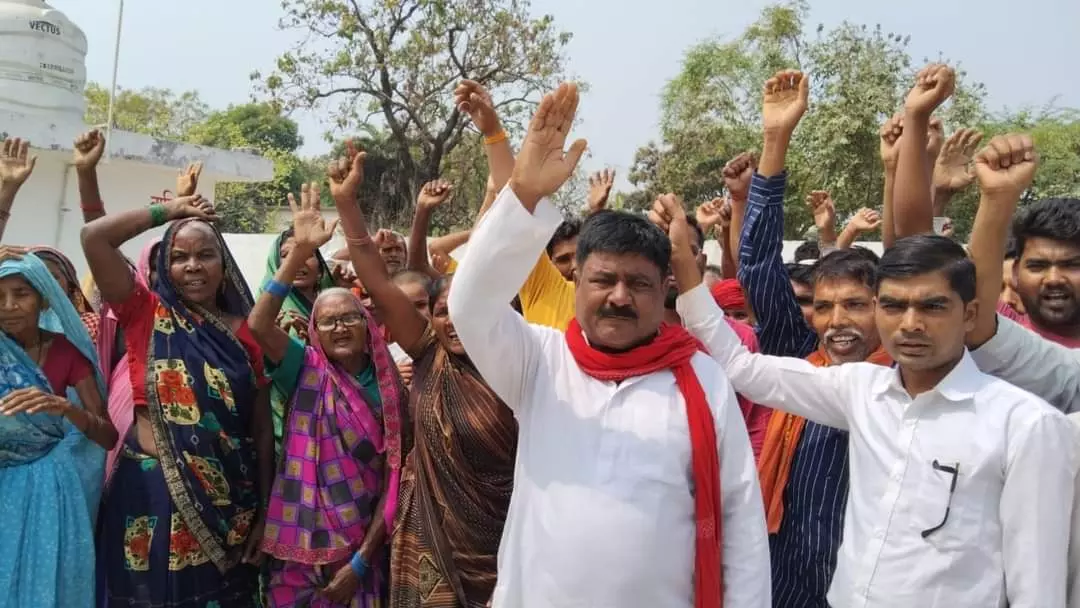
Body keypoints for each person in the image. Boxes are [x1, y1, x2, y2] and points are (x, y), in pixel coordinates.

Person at [449, 82, 768, 607]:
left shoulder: (702, 378)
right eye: (603, 280)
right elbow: (469, 304)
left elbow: (739, 521)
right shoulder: (539, 361)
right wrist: (522, 192)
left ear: (664, 287)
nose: (619, 297)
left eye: (638, 283)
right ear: (576, 281)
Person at [673, 221, 1076, 606]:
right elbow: (743, 368)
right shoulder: (862, 389)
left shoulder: (1026, 425)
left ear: (969, 314)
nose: (911, 324)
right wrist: (685, 270)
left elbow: (1037, 588)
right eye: (894, 306)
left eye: (933, 306)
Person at [715, 69, 891, 608]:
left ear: (886, 310)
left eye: (856, 305)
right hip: (782, 576)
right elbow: (757, 264)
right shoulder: (797, 359)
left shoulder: (907, 381)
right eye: (824, 306)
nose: (837, 321)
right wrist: (776, 139)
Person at [326, 141, 517, 608]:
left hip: (508, 541)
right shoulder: (431, 352)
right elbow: (375, 278)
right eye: (442, 311)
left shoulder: (522, 365)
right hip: (431, 536)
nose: (454, 321)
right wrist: (347, 204)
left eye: (467, 309)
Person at [83, 194, 274, 606]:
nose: (193, 266)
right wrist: (169, 211)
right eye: (179, 257)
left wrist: (265, 512)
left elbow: (261, 430)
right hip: (147, 491)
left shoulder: (248, 333)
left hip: (230, 501)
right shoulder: (144, 313)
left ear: (224, 267)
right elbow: (94, 237)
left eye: (206, 255)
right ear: (164, 269)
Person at [249, 184, 405, 607]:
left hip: (363, 546)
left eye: (349, 318)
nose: (339, 328)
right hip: (299, 541)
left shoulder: (389, 387)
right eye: (328, 321)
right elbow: (259, 325)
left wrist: (360, 563)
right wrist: (299, 252)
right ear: (313, 331)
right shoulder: (304, 368)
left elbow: (395, 476)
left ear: (368, 325)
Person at [0, 249, 114, 608]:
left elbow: (107, 436)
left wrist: (65, 408)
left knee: (46, 579)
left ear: (44, 298)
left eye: (21, 294)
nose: (8, 306)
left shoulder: (66, 352)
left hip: (50, 490)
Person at [258, 225, 336, 456]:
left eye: (307, 254)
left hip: (337, 418)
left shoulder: (335, 304)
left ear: (320, 266)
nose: (298, 261)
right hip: (288, 421)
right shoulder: (268, 313)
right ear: (275, 266)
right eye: (287, 255)